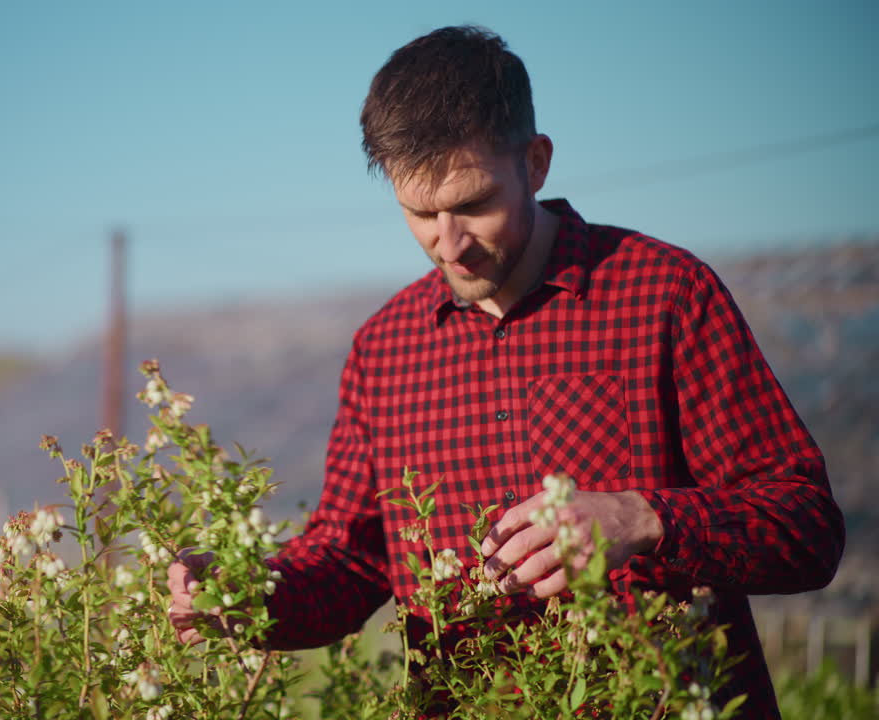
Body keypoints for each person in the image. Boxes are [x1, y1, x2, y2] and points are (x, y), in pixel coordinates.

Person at [167, 25, 844, 717]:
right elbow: (350, 558)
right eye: (420, 213)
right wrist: (248, 596)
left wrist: (644, 518)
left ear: (537, 162)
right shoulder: (384, 348)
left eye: (472, 204)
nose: (449, 243)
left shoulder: (663, 293)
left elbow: (807, 526)